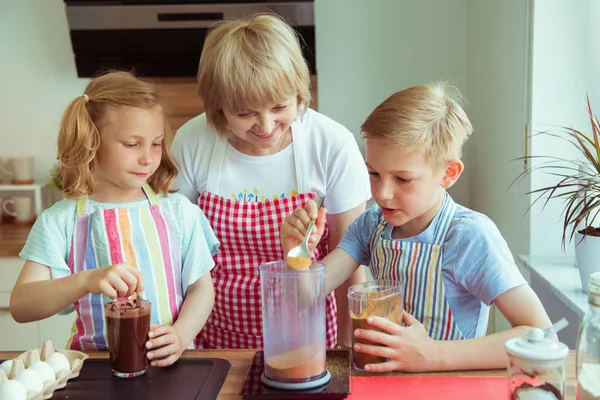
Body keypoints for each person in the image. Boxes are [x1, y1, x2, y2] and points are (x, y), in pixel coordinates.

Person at [281, 82, 553, 372]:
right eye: (373, 173)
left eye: (403, 179)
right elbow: (306, 295)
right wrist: (298, 253)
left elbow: (541, 334)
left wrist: (431, 354)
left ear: (448, 173)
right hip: (386, 387)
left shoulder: (469, 237)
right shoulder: (370, 225)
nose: (382, 193)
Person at [171, 13, 370, 349]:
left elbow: (347, 262)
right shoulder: (192, 142)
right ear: (219, 106)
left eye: (280, 106)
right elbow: (175, 255)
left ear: (299, 91)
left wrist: (348, 353)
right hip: (215, 338)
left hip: (308, 339)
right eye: (245, 112)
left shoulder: (332, 144)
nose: (265, 125)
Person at [10, 71, 219, 367]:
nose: (148, 157)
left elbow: (201, 289)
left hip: (172, 364)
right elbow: (21, 305)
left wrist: (180, 335)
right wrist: (86, 280)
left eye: (156, 143)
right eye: (132, 144)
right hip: (93, 367)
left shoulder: (180, 212)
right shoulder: (59, 221)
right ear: (91, 141)